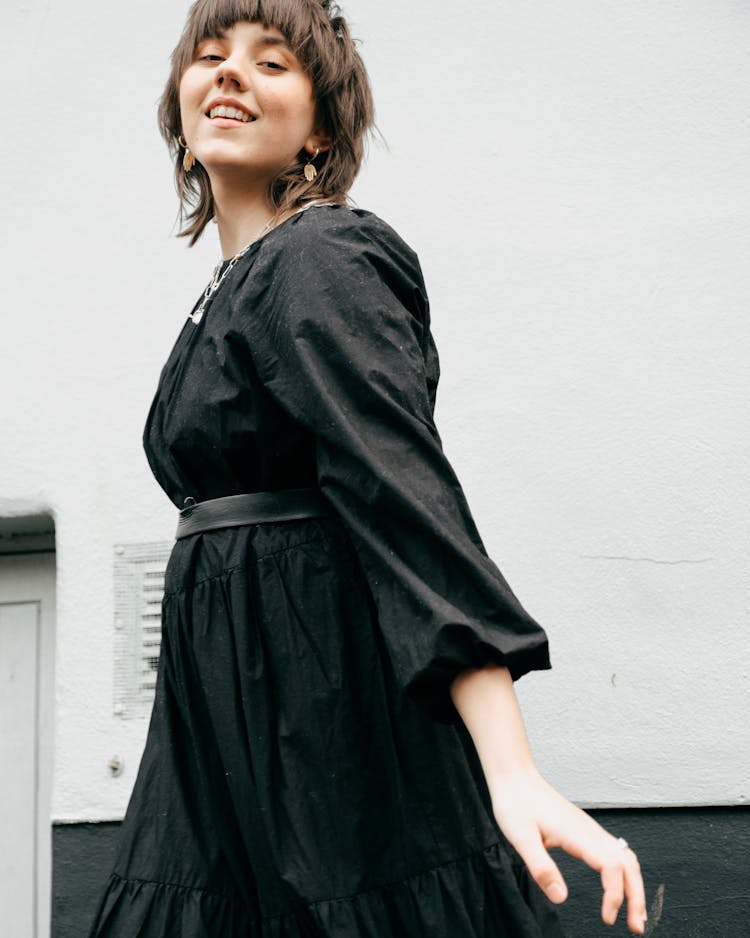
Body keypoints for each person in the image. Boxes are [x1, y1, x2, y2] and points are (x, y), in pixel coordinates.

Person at [89, 1, 647, 935]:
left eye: (272, 64)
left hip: (321, 715)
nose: (229, 74)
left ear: (321, 130)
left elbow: (403, 494)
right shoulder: (231, 285)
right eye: (211, 55)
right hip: (221, 724)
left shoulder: (322, 255)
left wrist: (511, 772)